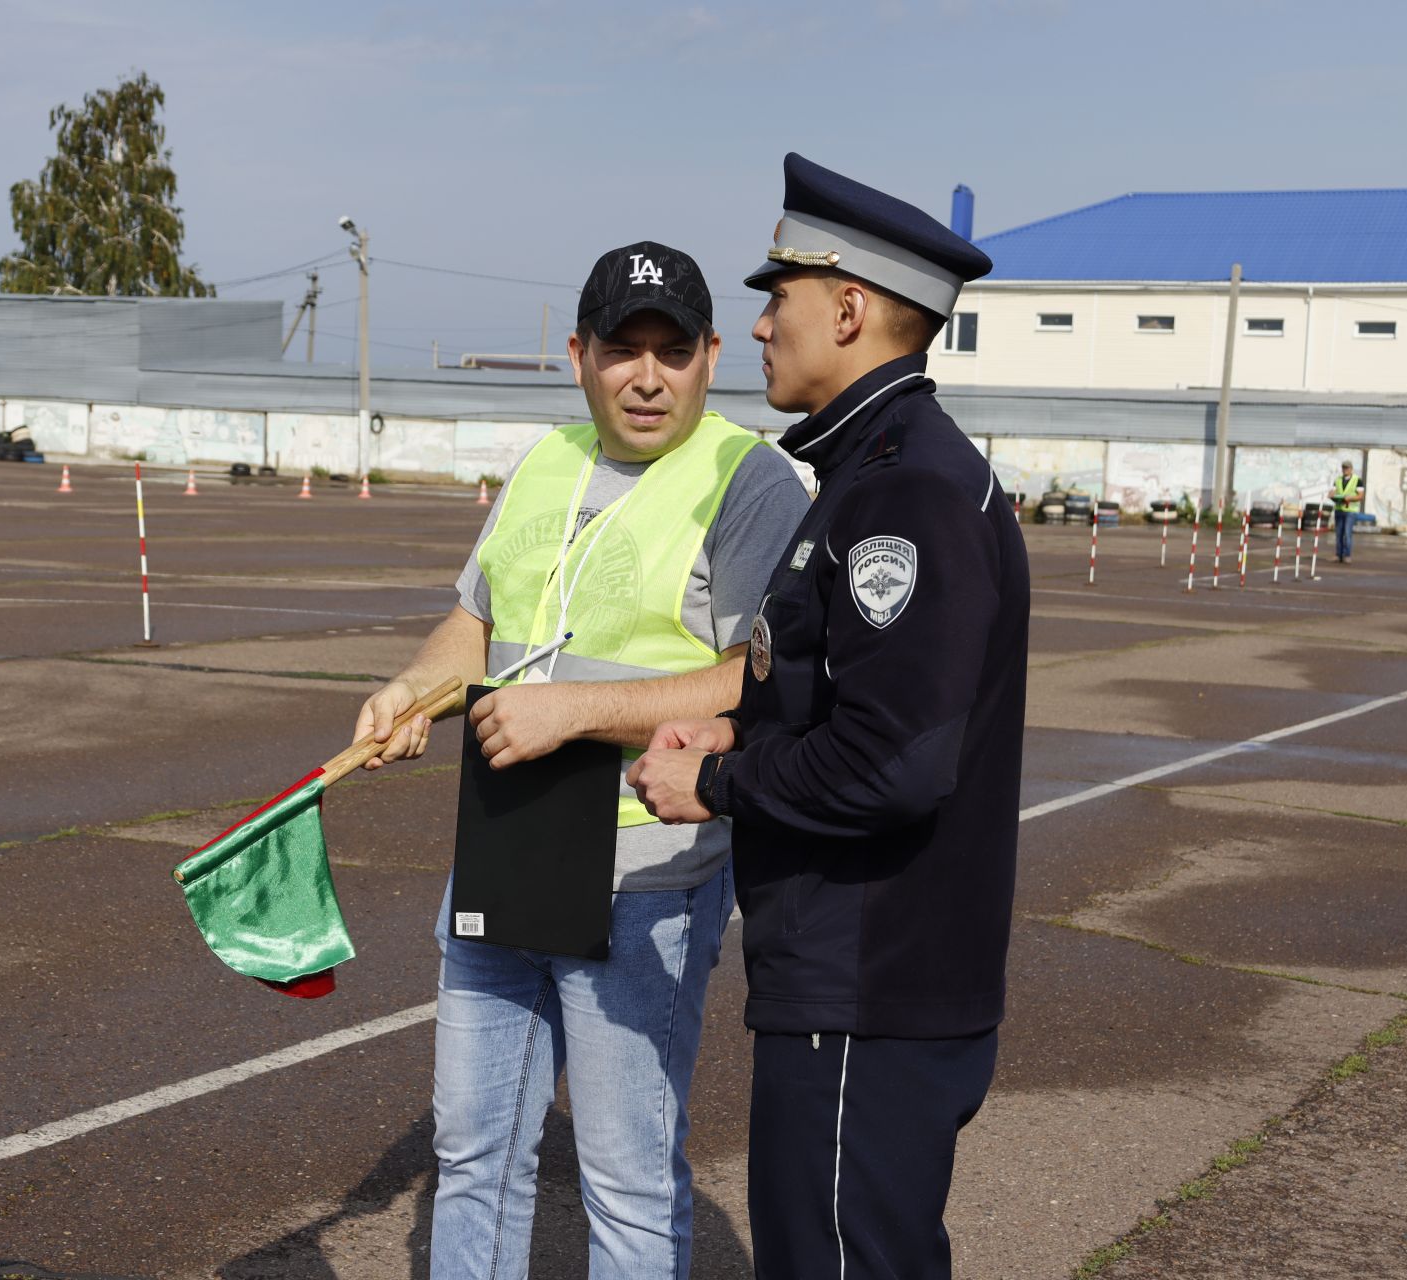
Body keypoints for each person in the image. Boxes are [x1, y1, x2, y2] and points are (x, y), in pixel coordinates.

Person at [352, 240, 810, 1279]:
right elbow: (473, 626)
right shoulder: (544, 461)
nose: (647, 375)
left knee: (628, 1179)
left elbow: (760, 682)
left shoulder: (752, 481)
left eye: (673, 349)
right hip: (505, 851)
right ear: (578, 354)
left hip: (645, 875)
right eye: (622, 348)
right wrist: (410, 687)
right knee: (473, 1154)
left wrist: (579, 711)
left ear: (709, 355)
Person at [627, 154, 1031, 1280]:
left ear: (849, 309)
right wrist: (738, 728)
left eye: (778, 298)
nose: (757, 326)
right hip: (863, 981)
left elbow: (892, 761)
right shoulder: (872, 471)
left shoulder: (904, 490)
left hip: (871, 984)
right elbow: (845, 696)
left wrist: (712, 785)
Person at [1331, 460, 1365, 563]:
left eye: (1347, 468)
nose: (1345, 470)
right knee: (1338, 534)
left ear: (1351, 469)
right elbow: (1332, 492)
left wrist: (1349, 499)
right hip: (1339, 509)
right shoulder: (1337, 480)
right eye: (1344, 468)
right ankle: (1338, 555)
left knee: (1347, 533)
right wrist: (1332, 496)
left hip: (1350, 510)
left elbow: (1360, 496)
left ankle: (1347, 555)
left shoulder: (1357, 480)